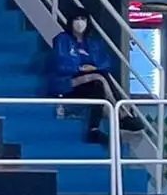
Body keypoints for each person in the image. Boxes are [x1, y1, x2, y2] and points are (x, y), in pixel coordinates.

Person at [53, 10, 130, 144]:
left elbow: (105, 63)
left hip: (91, 82)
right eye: (76, 19)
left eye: (83, 19)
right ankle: (121, 114)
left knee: (99, 88)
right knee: (100, 77)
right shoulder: (62, 40)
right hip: (68, 82)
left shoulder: (93, 42)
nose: (79, 22)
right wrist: (80, 68)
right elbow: (60, 64)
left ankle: (93, 130)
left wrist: (93, 69)